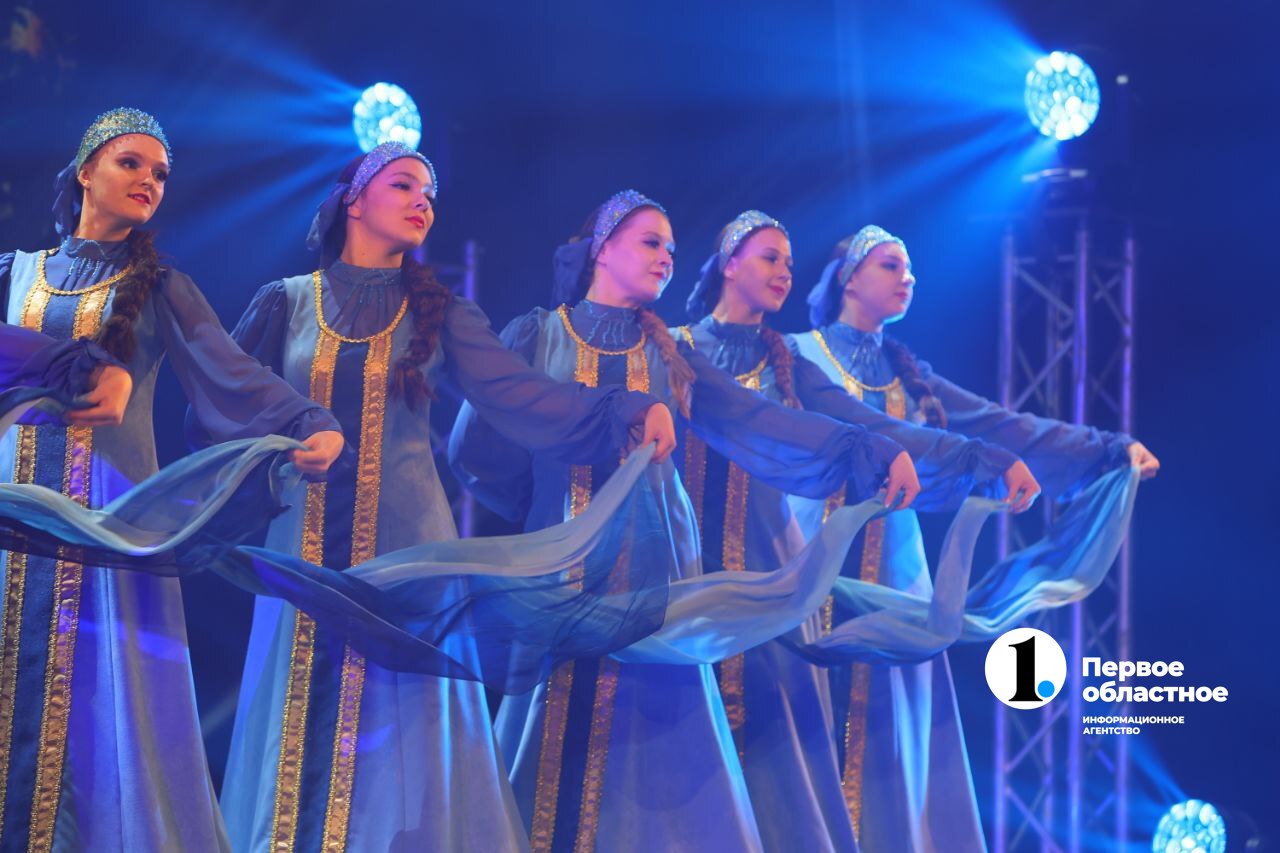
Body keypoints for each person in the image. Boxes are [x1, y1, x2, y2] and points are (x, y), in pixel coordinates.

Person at [202, 146, 678, 852]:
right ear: (353, 200)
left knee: (401, 742)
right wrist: (275, 452)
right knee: (297, 724)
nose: (423, 199)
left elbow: (519, 393)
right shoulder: (287, 302)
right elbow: (226, 400)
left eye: (429, 190)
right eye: (403, 184)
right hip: (302, 546)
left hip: (411, 551)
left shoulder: (442, 313)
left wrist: (625, 407)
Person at [450, 190, 917, 851]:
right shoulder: (539, 334)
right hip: (561, 580)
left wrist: (871, 448)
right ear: (602, 248)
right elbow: (477, 443)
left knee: (656, 760)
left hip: (652, 582)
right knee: (550, 750)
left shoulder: (672, 357)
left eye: (671, 247)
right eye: (651, 242)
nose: (666, 256)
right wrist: (545, 511)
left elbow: (759, 419)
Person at [0, 107, 343, 852]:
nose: (149, 181)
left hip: (113, 527)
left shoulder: (160, 287)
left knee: (106, 707)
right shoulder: (14, 273)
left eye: (160, 174)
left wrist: (308, 419)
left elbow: (233, 374)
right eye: (131, 163)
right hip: (10, 523)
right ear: (85, 171)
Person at [791, 224, 1160, 852]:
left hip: (895, 571)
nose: (908, 277)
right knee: (806, 716)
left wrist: (1107, 449)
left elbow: (1004, 427)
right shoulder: (797, 355)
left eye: (910, 267)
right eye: (890, 265)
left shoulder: (908, 375)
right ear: (849, 278)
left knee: (888, 731)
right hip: (810, 553)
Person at [678, 210, 1032, 852]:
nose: (907, 279)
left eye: (789, 262)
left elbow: (944, 426)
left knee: (833, 734)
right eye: (891, 265)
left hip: (853, 576)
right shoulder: (760, 349)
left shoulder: (823, 364)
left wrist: (1003, 457)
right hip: (740, 561)